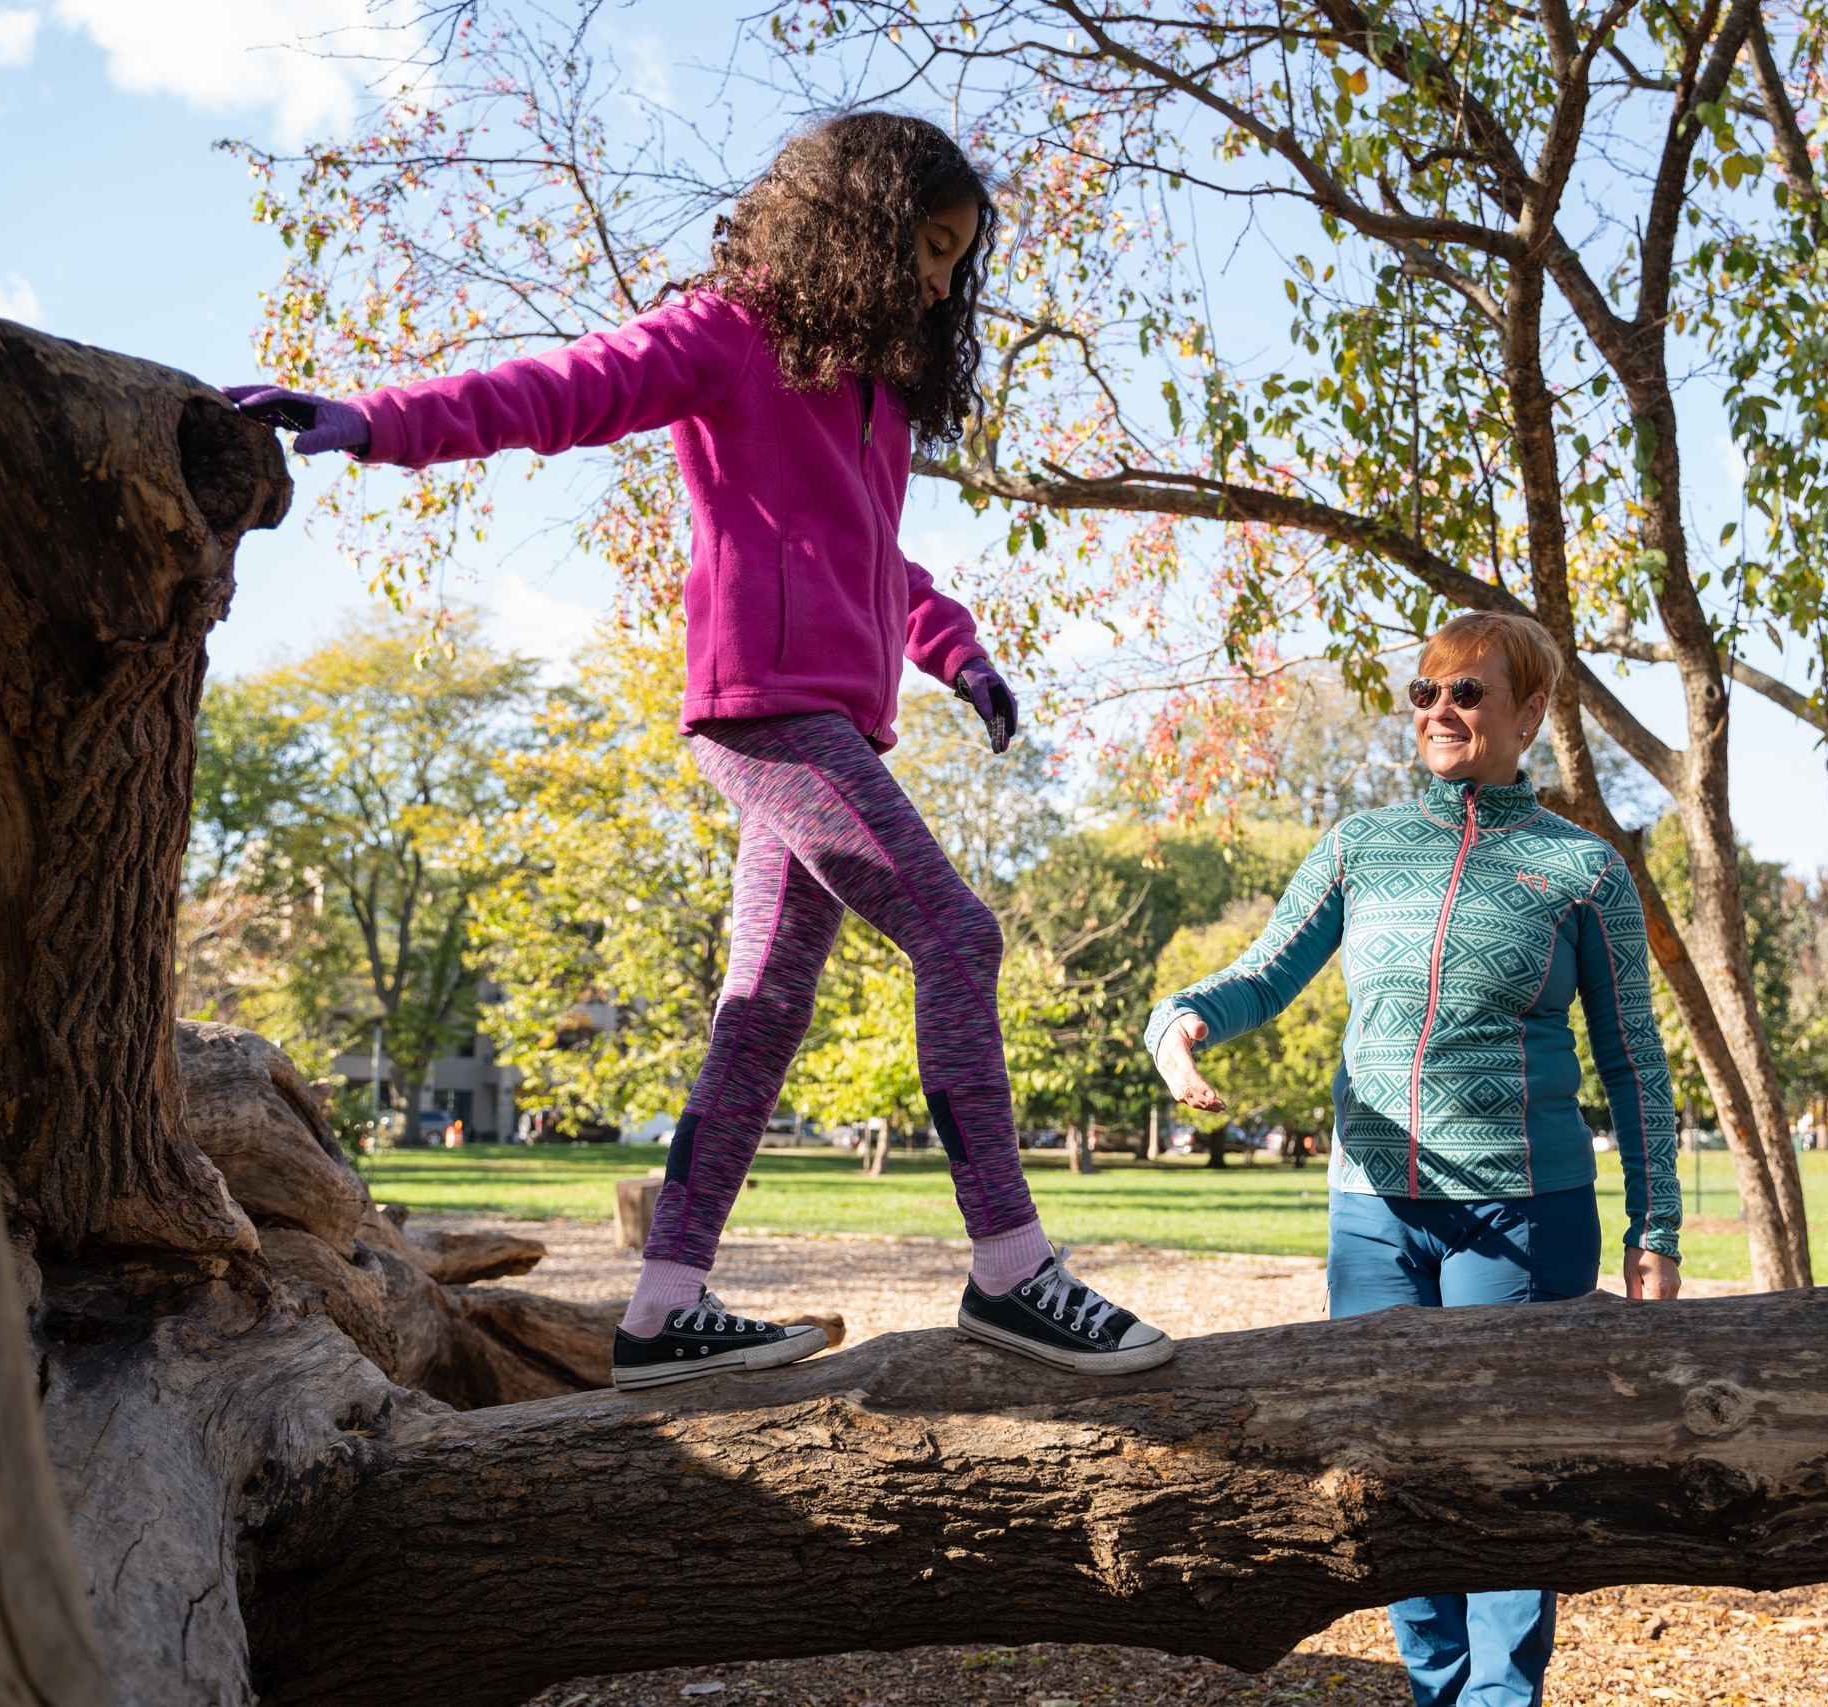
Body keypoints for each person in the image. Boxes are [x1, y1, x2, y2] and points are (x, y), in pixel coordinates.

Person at [223, 113, 1171, 1389]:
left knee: (764, 1008)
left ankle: (665, 1303)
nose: (946, 282)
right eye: (931, 249)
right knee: (958, 936)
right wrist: (371, 420)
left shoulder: (876, 396)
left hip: (828, 722)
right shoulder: (729, 333)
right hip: (764, 712)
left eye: (960, 259)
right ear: (864, 225)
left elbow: (877, 563)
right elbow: (560, 391)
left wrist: (960, 654)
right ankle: (1013, 1272)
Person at [1146, 611, 1682, 1707]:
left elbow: (1635, 1062)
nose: (1441, 712)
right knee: (1384, 1474)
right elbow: (1263, 972)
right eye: (1426, 693)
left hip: (1526, 1212)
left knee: (1507, 1478)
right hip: (1372, 1211)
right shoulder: (1360, 845)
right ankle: (1435, 1689)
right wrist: (1181, 1018)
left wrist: (1656, 1226)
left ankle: (1498, 1699)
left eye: (1469, 693)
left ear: (1530, 714)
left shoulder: (1583, 869)